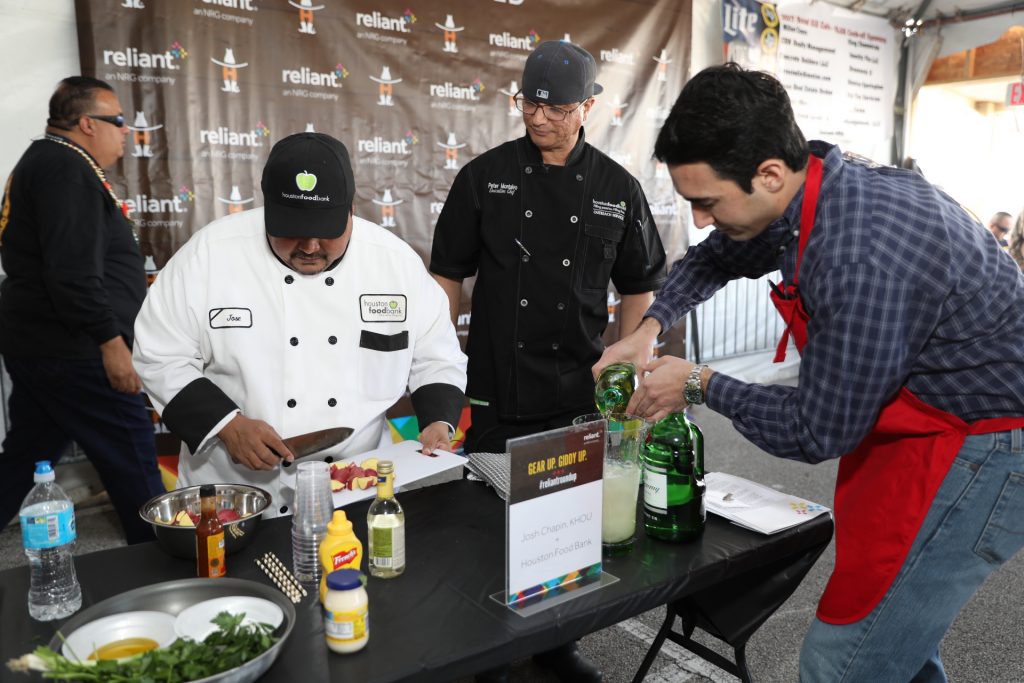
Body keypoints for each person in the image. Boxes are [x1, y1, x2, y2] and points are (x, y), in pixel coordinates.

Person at [598, 63, 1024, 683]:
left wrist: (698, 383)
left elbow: (818, 430)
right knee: (899, 641)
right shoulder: (807, 195)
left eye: (706, 202)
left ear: (769, 173)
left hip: (985, 447)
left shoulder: (859, 252)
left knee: (845, 662)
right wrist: (647, 330)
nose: (699, 219)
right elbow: (713, 257)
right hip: (923, 424)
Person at [429, 40, 666, 683]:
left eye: (556, 107)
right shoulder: (483, 177)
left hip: (576, 393)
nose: (539, 118)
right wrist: (440, 366)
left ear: (589, 106)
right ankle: (485, 653)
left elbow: (640, 285)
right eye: (530, 103)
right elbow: (448, 276)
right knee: (486, 531)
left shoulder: (618, 189)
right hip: (496, 391)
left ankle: (555, 644)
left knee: (564, 527)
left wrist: (628, 363)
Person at [132, 132, 467, 517]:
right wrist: (227, 424)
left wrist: (439, 422)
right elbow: (160, 355)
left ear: (351, 210)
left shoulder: (394, 263)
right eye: (292, 229)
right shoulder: (209, 257)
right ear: (266, 208)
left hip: (354, 483)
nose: (309, 247)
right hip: (236, 490)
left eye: (326, 231)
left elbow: (436, 354)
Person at [0, 76, 165, 544]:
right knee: (134, 459)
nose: (125, 132)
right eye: (118, 122)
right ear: (87, 124)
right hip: (79, 351)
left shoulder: (55, 163)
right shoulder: (64, 167)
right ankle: (161, 566)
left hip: (47, 348)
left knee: (23, 457)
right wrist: (111, 343)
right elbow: (71, 272)